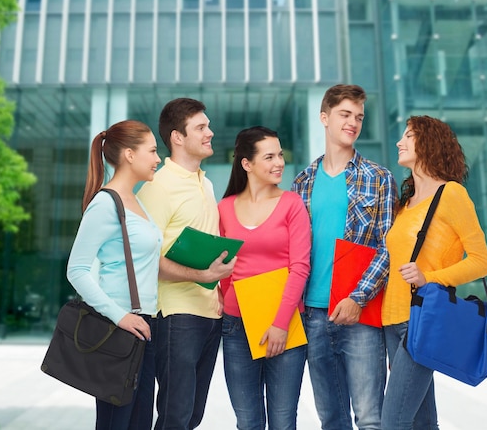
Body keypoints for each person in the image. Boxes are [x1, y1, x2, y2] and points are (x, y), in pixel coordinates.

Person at [291, 84, 398, 430]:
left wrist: (358, 297)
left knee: (370, 419)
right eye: (345, 114)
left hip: (361, 315)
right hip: (314, 315)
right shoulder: (302, 182)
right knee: (331, 420)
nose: (353, 122)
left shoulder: (379, 178)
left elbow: (389, 246)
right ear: (324, 118)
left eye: (359, 117)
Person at [380, 115, 487, 429]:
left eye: (408, 136)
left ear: (429, 143)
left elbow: (481, 261)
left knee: (393, 422)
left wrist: (430, 278)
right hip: (392, 321)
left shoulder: (452, 195)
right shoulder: (405, 203)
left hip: (423, 319)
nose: (400, 142)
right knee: (421, 422)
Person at [137, 98, 236, 430]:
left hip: (210, 313)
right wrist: (202, 274)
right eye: (201, 127)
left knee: (191, 415)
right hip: (176, 315)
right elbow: (145, 258)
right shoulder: (157, 187)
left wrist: (216, 286)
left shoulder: (205, 183)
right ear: (178, 137)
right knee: (175, 416)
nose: (210, 132)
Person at [66, 120, 162, 430]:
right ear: (130, 155)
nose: (158, 158)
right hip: (119, 329)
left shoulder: (136, 202)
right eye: (153, 151)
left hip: (146, 326)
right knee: (115, 424)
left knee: (139, 424)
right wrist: (120, 316)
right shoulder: (106, 204)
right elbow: (77, 270)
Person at [218, 126, 311, 429]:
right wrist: (220, 297)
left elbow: (300, 267)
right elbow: (222, 268)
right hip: (237, 325)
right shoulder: (224, 208)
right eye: (269, 156)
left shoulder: (292, 204)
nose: (279, 162)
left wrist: (280, 324)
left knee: (283, 422)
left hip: (285, 324)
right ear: (247, 164)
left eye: (280, 155)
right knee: (247, 421)